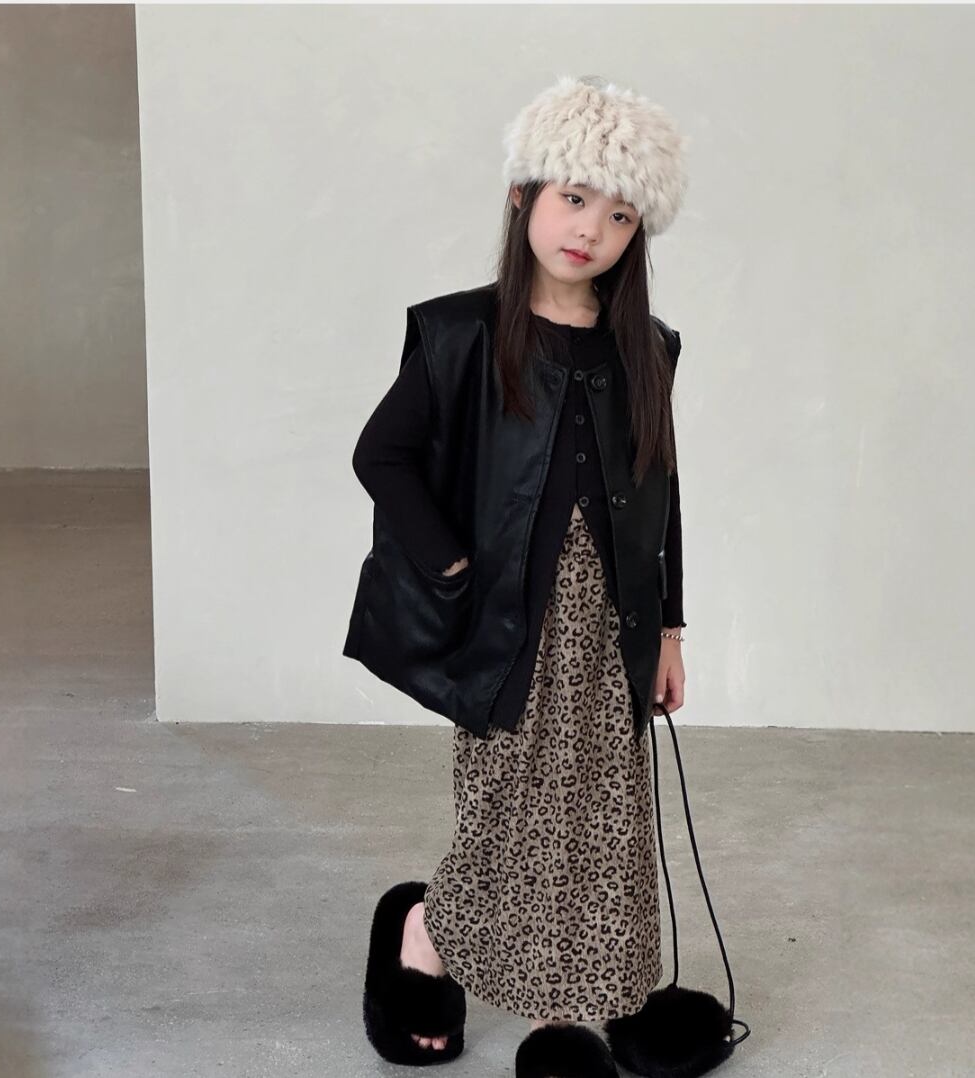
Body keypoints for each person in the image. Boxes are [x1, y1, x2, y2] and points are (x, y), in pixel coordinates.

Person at [353, 75, 690, 1074]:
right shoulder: (461, 333)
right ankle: (426, 927)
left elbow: (662, 492)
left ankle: (567, 1010)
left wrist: (671, 628)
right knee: (509, 807)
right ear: (522, 196)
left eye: (618, 215)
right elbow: (382, 455)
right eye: (573, 198)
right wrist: (453, 562)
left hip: (612, 619)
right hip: (506, 621)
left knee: (605, 813)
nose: (590, 229)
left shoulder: (645, 348)